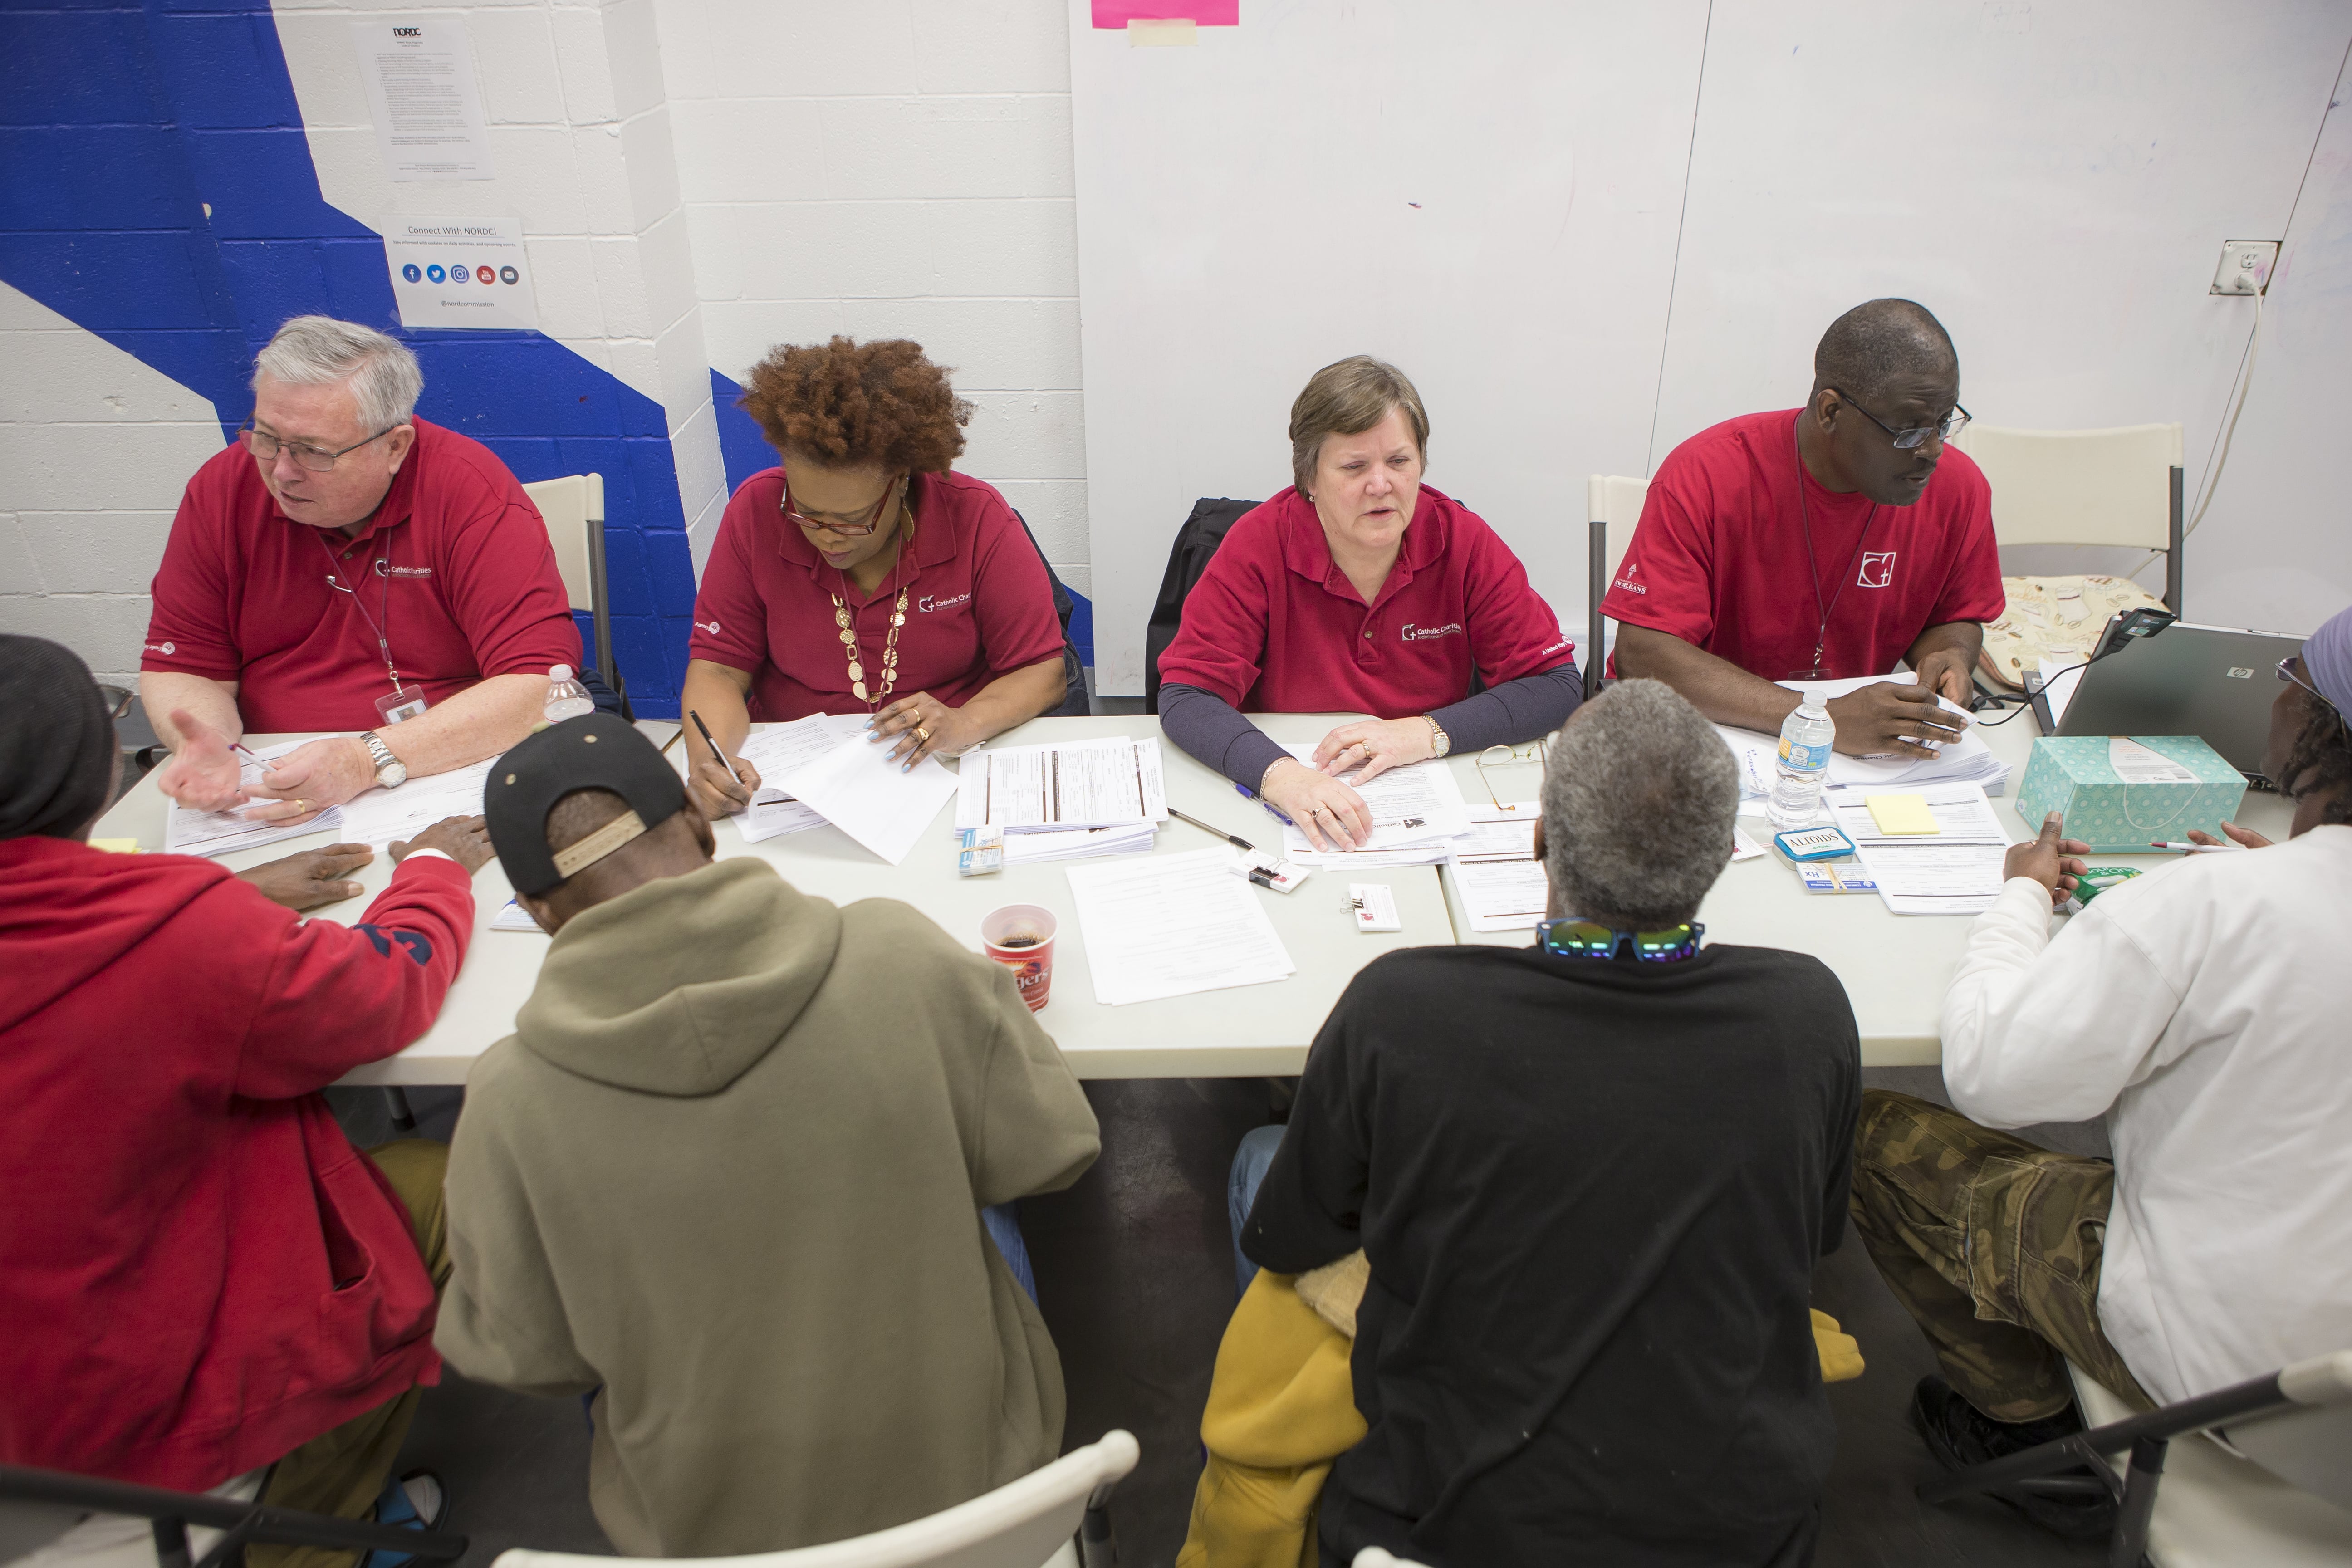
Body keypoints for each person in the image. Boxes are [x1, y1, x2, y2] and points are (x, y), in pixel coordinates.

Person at [434, 714, 1101, 1555]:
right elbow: (1052, 1147)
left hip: (711, 1546)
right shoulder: (901, 958)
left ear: (533, 911)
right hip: (980, 1509)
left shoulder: (507, 1103)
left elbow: (526, 1356)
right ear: (700, 825)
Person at [1230, 680, 1860, 1566]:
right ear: (1723, 852)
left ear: (1536, 842)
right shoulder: (1809, 1014)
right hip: (1743, 1537)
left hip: (1439, 1528)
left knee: (1262, 1165)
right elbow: (1813, 1240)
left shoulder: (1403, 1009)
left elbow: (1291, 1236)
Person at [1852, 603, 2352, 1540]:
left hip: (2228, 1380)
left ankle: (2024, 1435)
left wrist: (2019, 897)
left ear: (2318, 724)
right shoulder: (2249, 897)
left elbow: (1994, 1073)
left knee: (1873, 1132)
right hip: (2344, 1424)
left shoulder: (2218, 905)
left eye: (2296, 673)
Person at [0, 634, 496, 1568]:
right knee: (455, 1188)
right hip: (137, 1430)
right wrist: (433, 874)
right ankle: (314, 1526)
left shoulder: (170, 917)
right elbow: (386, 988)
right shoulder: (174, 934)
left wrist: (224, 891)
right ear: (90, 778)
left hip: (25, 1426)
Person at [144, 314, 584, 829]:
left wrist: (364, 760)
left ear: (394, 446)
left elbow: (535, 686)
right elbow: (186, 666)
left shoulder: (467, 489)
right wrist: (210, 744)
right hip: (270, 783)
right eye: (265, 438)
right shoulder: (223, 489)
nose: (282, 470)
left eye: (313, 451)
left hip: (442, 770)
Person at [1156, 355, 1580, 852]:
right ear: (1310, 478)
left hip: (1428, 789)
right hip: (1293, 795)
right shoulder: (1258, 545)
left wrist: (1425, 734)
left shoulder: (1462, 539)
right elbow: (1188, 697)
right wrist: (1283, 778)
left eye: (1399, 462)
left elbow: (1556, 685)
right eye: (1355, 467)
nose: (1382, 486)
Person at [681, 337, 1069, 818]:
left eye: (853, 518)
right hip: (792, 784)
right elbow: (718, 668)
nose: (828, 537)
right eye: (807, 513)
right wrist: (710, 763)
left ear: (902, 479)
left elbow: (1042, 672)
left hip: (944, 770)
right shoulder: (755, 512)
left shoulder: (975, 517)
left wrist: (963, 722)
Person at [1606, 298, 2004, 760]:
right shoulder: (1708, 474)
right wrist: (1819, 717)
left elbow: (1952, 616)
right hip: (1703, 738)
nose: (1933, 450)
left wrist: (1950, 655)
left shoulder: (1960, 488)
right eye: (1909, 431)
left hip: (1853, 757)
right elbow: (1646, 653)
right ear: (1831, 412)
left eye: (1943, 422)